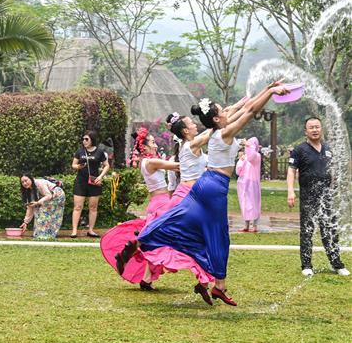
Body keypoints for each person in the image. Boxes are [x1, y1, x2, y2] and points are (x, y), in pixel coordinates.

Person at [117, 82, 290, 307]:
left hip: (203, 184)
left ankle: (139, 242)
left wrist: (268, 87)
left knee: (179, 219)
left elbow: (242, 109)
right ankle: (219, 286)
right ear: (217, 119)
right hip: (214, 187)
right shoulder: (225, 132)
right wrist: (270, 92)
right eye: (222, 111)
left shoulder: (218, 131)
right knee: (218, 236)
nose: (227, 112)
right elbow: (250, 111)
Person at [99, 128, 179, 290]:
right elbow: (177, 166)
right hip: (162, 204)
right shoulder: (151, 162)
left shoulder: (145, 162)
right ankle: (135, 247)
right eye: (152, 142)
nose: (155, 145)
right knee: (161, 240)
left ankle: (146, 278)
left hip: (157, 203)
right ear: (144, 147)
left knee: (157, 242)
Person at [287, 117, 349, 277]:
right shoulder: (299, 150)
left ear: (321, 129)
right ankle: (306, 265)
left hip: (326, 196)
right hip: (308, 196)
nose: (314, 130)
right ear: (305, 131)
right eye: (311, 127)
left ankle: (337, 264)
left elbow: (332, 170)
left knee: (330, 229)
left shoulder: (328, 149)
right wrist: (291, 191)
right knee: (307, 230)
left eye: (317, 127)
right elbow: (291, 171)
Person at [70, 130, 110, 238]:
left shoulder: (99, 152)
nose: (84, 141)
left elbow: (106, 165)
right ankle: (74, 231)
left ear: (92, 139)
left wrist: (100, 177)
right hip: (80, 182)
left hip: (94, 182)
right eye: (83, 139)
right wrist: (78, 167)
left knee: (93, 207)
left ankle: (91, 230)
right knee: (77, 207)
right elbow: (73, 164)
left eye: (86, 139)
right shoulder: (80, 151)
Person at [19, 175, 66, 240]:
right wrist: (25, 222)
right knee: (38, 211)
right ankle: (41, 233)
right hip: (48, 198)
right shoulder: (29, 191)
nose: (24, 183)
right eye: (22, 182)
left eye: (26, 180)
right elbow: (30, 207)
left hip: (57, 196)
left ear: (31, 179)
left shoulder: (40, 183)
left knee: (42, 211)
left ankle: (46, 234)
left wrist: (38, 202)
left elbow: (48, 195)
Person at [236, 137, 262, 232]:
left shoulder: (257, 156)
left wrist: (248, 145)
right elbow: (238, 171)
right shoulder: (245, 158)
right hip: (243, 184)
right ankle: (246, 225)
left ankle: (254, 225)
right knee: (245, 203)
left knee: (254, 203)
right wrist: (241, 161)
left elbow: (251, 157)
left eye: (251, 144)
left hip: (253, 184)